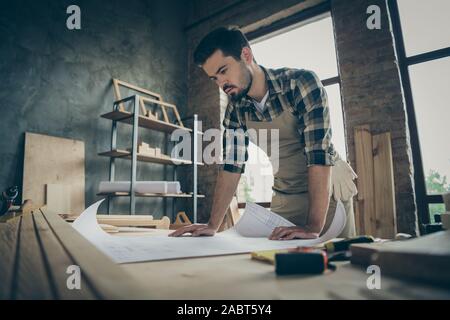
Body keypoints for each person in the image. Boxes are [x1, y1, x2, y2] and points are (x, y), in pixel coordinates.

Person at [170, 26, 357, 240]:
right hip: (286, 194)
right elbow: (232, 165)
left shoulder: (300, 85)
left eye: (223, 71)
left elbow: (317, 154)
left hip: (327, 191)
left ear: (246, 55)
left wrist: (313, 227)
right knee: (276, 263)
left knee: (337, 263)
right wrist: (213, 225)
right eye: (214, 78)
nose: (221, 84)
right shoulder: (235, 109)